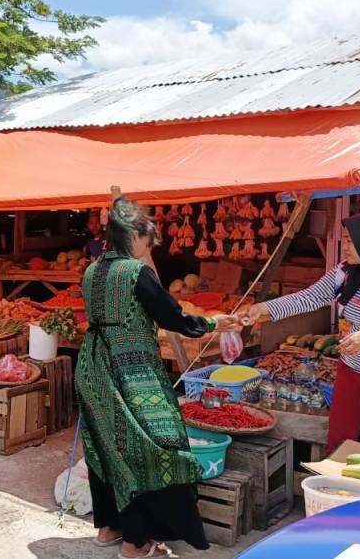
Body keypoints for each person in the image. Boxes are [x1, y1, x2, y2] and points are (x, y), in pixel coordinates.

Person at [77, 191, 238, 558]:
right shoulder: (136, 273)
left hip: (92, 367)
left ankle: (109, 528)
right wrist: (215, 322)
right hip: (131, 371)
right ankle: (137, 543)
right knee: (151, 450)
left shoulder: (92, 271)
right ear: (133, 237)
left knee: (105, 446)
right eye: (146, 240)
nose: (147, 248)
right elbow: (172, 317)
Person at [242, 211, 360, 453]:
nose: (345, 248)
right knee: (340, 440)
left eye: (351, 241)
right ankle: (334, 489)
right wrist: (263, 308)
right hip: (349, 370)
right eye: (345, 240)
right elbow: (309, 298)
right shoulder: (344, 272)